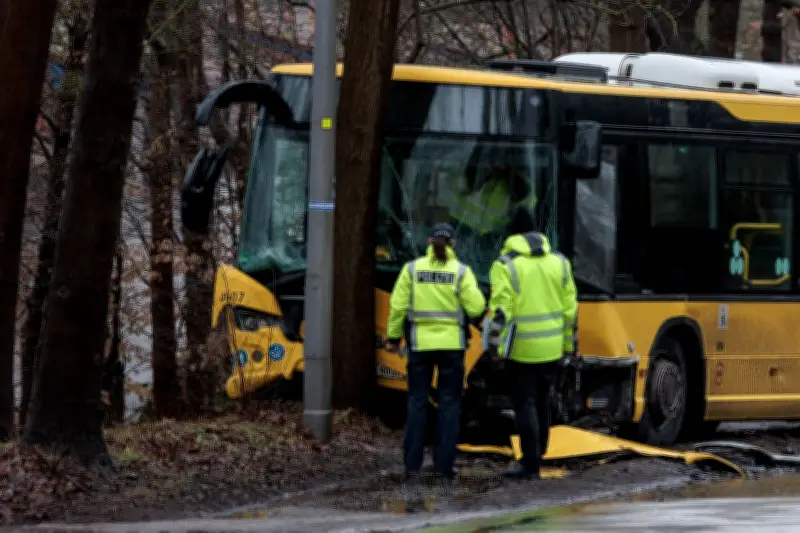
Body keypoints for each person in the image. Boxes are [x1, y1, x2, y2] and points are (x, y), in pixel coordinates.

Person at [385, 223, 486, 483]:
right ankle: (444, 466)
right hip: (452, 348)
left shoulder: (412, 269)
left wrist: (394, 338)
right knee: (449, 404)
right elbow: (476, 308)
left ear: (429, 242)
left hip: (419, 346)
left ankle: (412, 466)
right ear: (453, 244)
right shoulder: (461, 272)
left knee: (417, 402)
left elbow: (397, 307)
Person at [483, 215, 577, 480]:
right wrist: (569, 347)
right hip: (552, 348)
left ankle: (530, 464)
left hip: (522, 349)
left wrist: (494, 348)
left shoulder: (505, 265)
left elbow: (501, 312)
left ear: (512, 234)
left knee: (525, 404)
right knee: (543, 401)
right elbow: (570, 310)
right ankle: (540, 453)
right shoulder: (560, 262)